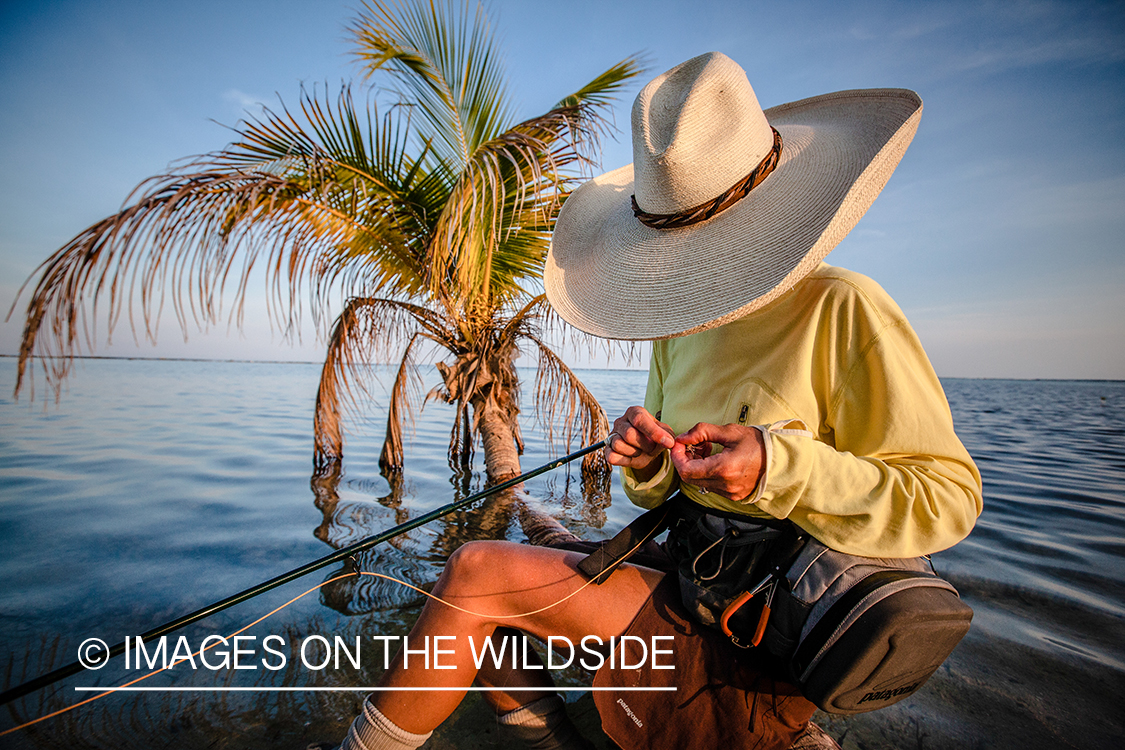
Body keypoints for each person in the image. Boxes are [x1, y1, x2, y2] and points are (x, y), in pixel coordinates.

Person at [328, 51, 983, 750]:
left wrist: (779, 467)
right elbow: (664, 494)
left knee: (475, 571)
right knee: (496, 592)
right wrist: (647, 464)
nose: (702, 271)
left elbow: (947, 500)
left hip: (760, 628)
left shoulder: (844, 309)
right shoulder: (683, 329)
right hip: (694, 580)